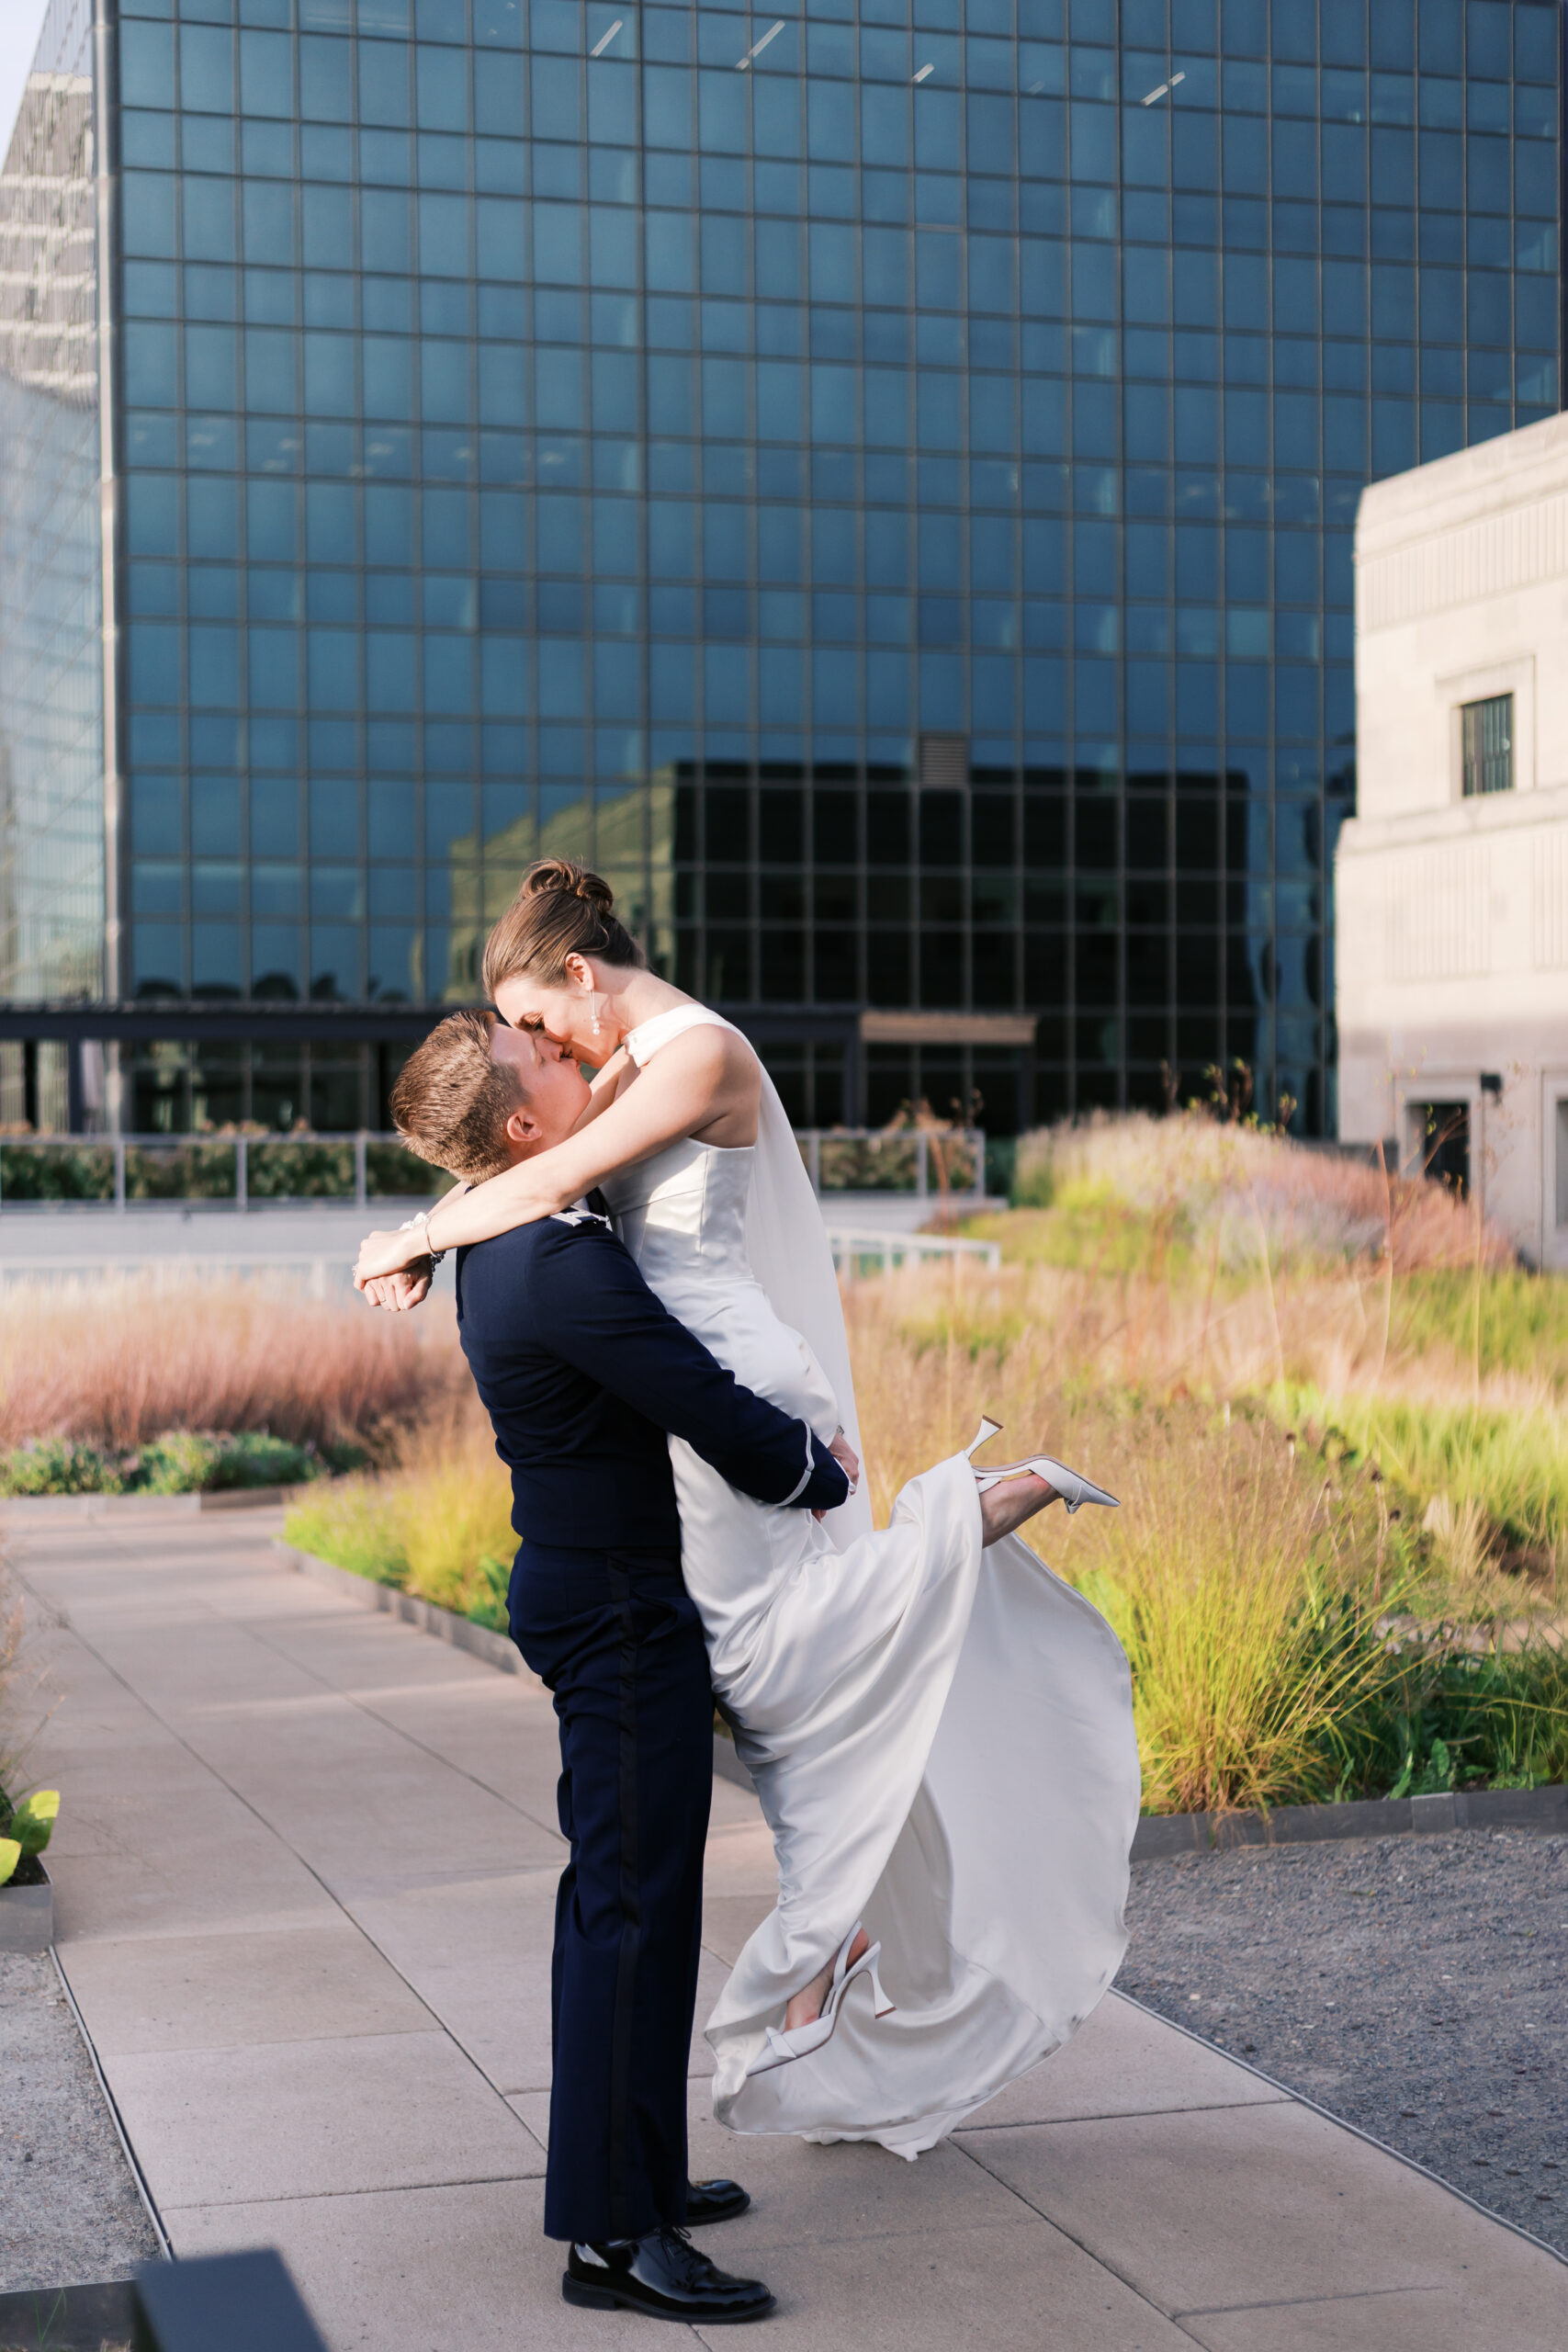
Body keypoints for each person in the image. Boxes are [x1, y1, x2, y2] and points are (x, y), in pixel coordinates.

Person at [359, 861, 1141, 2164]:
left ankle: (970, 1524)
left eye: (538, 1026)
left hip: (721, 1374)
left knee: (776, 1673)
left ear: (579, 977)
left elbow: (541, 1178)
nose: (552, 1055)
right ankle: (836, 1931)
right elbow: (519, 1163)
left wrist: (402, 1242)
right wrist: (420, 1229)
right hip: (695, 1389)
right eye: (532, 1048)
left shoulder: (692, 1057)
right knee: (778, 1678)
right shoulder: (617, 1062)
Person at [385, 1009, 852, 2323]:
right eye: (549, 1061)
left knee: (625, 1897)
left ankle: (637, 2169)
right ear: (524, 1129)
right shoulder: (554, 1263)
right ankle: (615, 2236)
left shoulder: (514, 1226)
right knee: (630, 1914)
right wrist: (811, 1468)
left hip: (597, 1589)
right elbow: (692, 1392)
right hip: (615, 1607)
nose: (575, 1054)